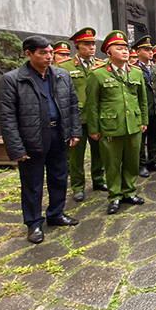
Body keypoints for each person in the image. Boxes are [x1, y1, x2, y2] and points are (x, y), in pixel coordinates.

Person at [0, 35, 81, 244]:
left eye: (51, 52)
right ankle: (33, 223)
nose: (49, 56)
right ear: (29, 54)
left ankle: (56, 213)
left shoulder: (62, 75)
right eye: (43, 52)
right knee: (32, 183)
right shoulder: (13, 79)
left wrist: (74, 131)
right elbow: (7, 117)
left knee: (59, 176)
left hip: (59, 134)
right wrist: (16, 148)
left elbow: (72, 105)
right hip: (32, 138)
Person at [86, 30, 147, 214]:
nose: (125, 51)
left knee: (132, 161)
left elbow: (142, 99)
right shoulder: (97, 74)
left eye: (126, 48)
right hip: (110, 126)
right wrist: (93, 128)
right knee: (112, 164)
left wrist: (143, 120)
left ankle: (130, 191)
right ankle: (115, 196)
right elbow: (92, 104)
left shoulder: (135, 72)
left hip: (133, 124)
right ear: (109, 52)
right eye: (119, 48)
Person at [57, 27, 107, 202]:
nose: (92, 47)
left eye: (93, 44)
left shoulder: (101, 65)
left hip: (97, 116)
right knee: (76, 156)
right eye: (87, 44)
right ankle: (78, 186)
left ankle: (98, 179)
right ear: (77, 46)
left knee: (99, 151)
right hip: (76, 117)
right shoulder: (64, 67)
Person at [133, 35, 156, 178]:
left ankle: (153, 161)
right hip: (142, 109)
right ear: (138, 52)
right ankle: (141, 164)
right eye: (146, 50)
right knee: (141, 140)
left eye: (151, 50)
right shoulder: (133, 69)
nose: (150, 52)